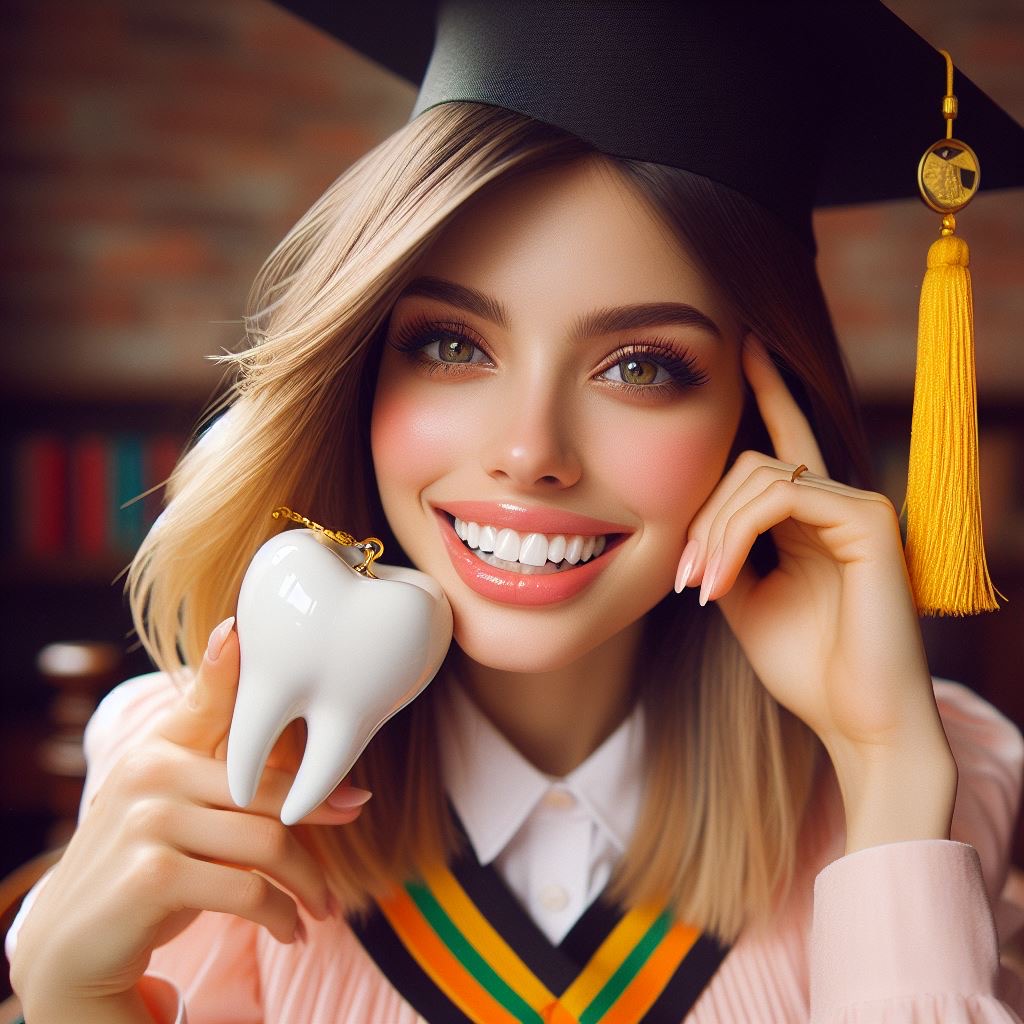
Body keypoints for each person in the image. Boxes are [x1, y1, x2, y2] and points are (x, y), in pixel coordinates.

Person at [8, 2, 1024, 1021]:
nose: (530, 451)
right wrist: (71, 997)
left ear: (758, 423)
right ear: (358, 374)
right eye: (452, 345)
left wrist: (885, 769)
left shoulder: (934, 776)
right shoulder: (195, 785)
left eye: (640, 365)